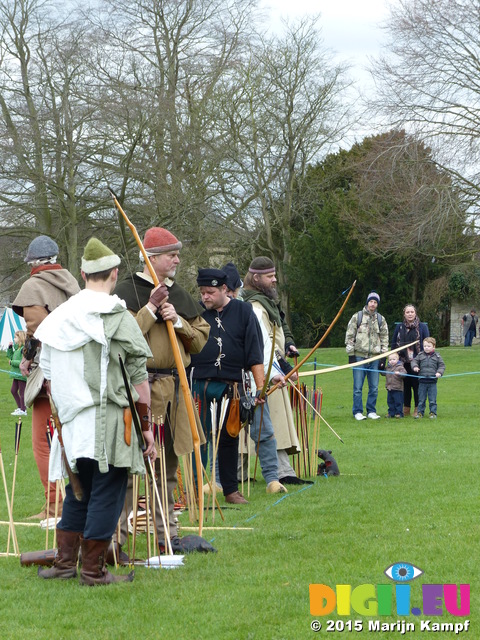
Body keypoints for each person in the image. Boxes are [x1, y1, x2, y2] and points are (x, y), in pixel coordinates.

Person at [34, 237, 156, 585]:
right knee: (106, 491)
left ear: (83, 273)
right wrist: (146, 427)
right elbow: (139, 381)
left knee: (79, 491)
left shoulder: (59, 319)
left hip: (72, 424)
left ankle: (64, 565)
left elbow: (50, 377)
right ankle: (92, 571)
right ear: (114, 273)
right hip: (109, 424)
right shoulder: (119, 318)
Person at [115, 227, 210, 553]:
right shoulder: (126, 291)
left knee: (166, 470)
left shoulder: (179, 295)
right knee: (130, 470)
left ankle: (167, 536)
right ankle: (115, 541)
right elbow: (121, 335)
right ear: (152, 258)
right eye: (172, 254)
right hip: (141, 388)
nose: (177, 259)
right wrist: (151, 309)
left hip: (174, 390)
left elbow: (199, 341)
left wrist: (178, 321)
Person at [190, 268, 286, 504]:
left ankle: (231, 490)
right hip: (199, 385)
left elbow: (255, 353)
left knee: (229, 437)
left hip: (232, 387)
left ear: (225, 289)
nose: (205, 297)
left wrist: (259, 389)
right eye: (202, 292)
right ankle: (194, 489)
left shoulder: (244, 311)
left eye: (210, 292)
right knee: (198, 438)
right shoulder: (196, 312)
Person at [12, 235, 80, 519]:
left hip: (49, 371)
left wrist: (27, 358)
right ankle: (73, 501)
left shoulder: (33, 285)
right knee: (71, 438)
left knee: (43, 440)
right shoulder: (72, 283)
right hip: (76, 370)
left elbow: (38, 330)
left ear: (33, 262)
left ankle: (55, 505)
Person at [240, 257, 311, 485]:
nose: (274, 280)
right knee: (259, 422)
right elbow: (261, 343)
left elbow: (280, 327)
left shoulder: (266, 302)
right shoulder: (254, 305)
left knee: (265, 421)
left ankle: (273, 471)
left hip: (272, 368)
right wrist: (279, 368)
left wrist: (288, 344)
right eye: (270, 277)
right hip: (262, 371)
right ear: (256, 278)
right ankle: (277, 472)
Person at [345, 291, 389, 421]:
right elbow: (349, 335)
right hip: (359, 356)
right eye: (371, 301)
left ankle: (371, 410)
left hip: (375, 357)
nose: (373, 304)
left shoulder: (381, 319)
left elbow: (385, 337)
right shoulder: (357, 317)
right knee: (358, 387)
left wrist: (383, 357)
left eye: (375, 302)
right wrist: (351, 355)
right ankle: (358, 411)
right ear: (367, 302)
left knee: (374, 387)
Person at [391, 304, 430, 417]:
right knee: (405, 386)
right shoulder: (399, 327)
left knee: (417, 385)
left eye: (412, 312)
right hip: (403, 362)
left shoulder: (422, 327)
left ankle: (418, 408)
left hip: (417, 361)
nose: (410, 314)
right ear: (404, 314)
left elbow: (427, 343)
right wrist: (393, 358)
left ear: (415, 313)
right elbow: (394, 344)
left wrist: (424, 359)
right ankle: (406, 408)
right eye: (407, 312)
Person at [411, 337, 446, 419]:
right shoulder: (420, 355)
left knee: (432, 399)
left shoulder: (437, 356)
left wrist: (439, 372)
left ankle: (433, 413)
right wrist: (415, 367)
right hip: (422, 381)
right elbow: (414, 361)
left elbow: (442, 365)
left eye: (428, 346)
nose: (426, 348)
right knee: (421, 399)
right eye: (425, 346)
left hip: (432, 382)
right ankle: (420, 413)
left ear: (434, 347)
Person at [7, 330, 27, 416]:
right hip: (16, 374)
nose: (14, 339)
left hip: (21, 374)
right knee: (13, 390)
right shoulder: (17, 349)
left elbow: (20, 362)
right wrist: (10, 348)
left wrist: (12, 362)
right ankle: (20, 407)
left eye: (15, 337)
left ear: (20, 338)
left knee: (22, 392)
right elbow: (10, 356)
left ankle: (23, 410)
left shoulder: (23, 349)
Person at [381, 352, 407, 418]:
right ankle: (391, 413)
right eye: (390, 360)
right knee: (390, 402)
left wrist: (399, 373)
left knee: (398, 402)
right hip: (390, 388)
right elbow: (383, 373)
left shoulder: (400, 367)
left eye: (394, 359)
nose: (392, 361)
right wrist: (381, 368)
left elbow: (404, 373)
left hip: (398, 388)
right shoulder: (388, 367)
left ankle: (399, 413)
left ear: (397, 360)